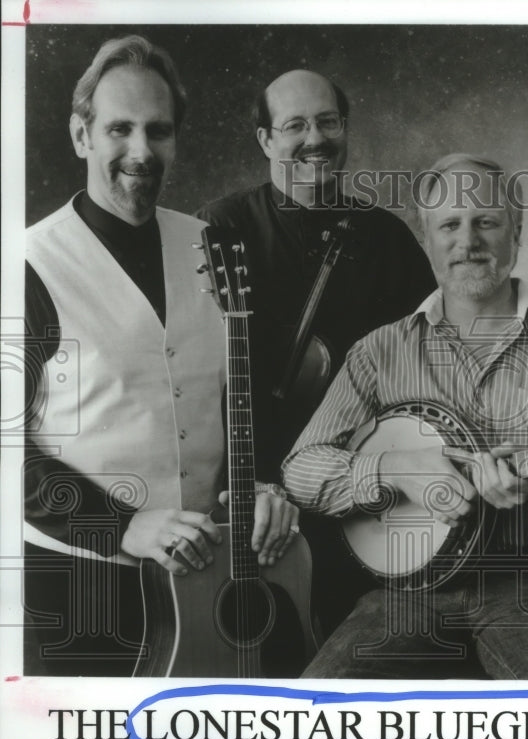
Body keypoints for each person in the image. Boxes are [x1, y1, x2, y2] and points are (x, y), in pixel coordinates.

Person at [283, 153, 528, 679]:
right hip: (407, 591)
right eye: (450, 225)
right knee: (309, 712)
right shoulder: (379, 351)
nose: (468, 241)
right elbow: (301, 470)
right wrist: (394, 470)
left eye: (486, 221)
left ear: (517, 231)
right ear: (428, 238)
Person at [23, 35, 299, 676]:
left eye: (159, 131)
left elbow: (235, 399)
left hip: (207, 583)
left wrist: (253, 486)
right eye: (119, 128)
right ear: (80, 135)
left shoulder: (213, 244)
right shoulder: (28, 266)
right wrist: (119, 525)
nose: (142, 152)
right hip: (78, 588)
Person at [196, 69, 436, 635]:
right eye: (295, 125)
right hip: (247, 496)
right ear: (264, 139)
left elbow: (430, 372)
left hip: (360, 495)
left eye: (328, 121)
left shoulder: (385, 236)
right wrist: (245, 483)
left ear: (346, 128)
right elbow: (198, 378)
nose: (315, 139)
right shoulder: (221, 225)